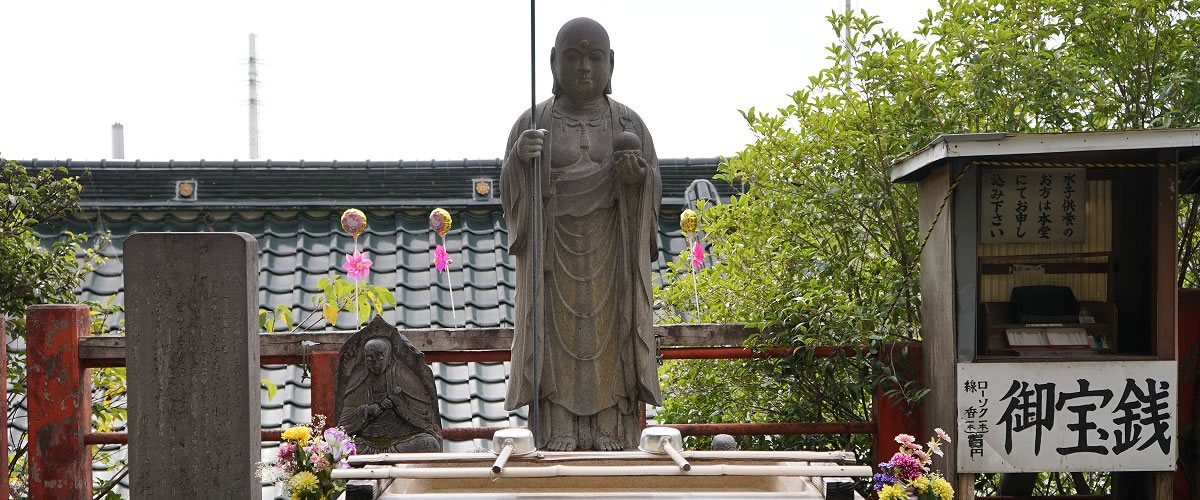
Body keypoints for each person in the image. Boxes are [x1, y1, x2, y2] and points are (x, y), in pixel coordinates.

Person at [501, 17, 662, 451]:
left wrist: (637, 180)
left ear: (611, 63)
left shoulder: (629, 122)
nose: (585, 68)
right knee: (552, 339)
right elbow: (511, 194)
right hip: (553, 256)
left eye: (594, 58)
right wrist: (520, 160)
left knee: (614, 335)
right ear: (554, 62)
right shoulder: (533, 122)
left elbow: (652, 189)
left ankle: (610, 428)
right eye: (573, 57)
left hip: (613, 251)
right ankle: (558, 429)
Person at [337, 336, 442, 453]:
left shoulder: (402, 375)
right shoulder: (359, 378)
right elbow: (344, 421)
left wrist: (398, 403)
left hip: (401, 439)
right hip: (366, 442)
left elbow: (424, 415)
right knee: (339, 446)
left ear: (388, 356)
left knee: (429, 443)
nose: (374, 362)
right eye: (369, 357)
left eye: (379, 357)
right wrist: (366, 410)